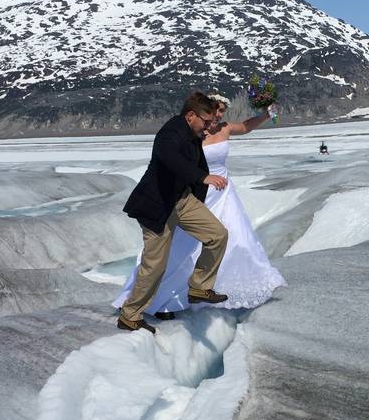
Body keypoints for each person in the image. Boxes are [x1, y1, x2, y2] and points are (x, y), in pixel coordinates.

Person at [113, 94, 285, 315]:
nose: (218, 115)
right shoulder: (183, 133)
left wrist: (266, 114)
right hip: (184, 195)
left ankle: (204, 288)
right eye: (214, 111)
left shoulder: (217, 129)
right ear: (196, 114)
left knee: (228, 238)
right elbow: (170, 157)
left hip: (215, 194)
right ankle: (152, 304)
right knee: (171, 255)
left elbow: (245, 126)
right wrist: (202, 177)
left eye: (222, 111)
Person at [117, 92, 230, 333]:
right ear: (191, 116)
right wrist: (203, 177)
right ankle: (130, 315)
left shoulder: (194, 134)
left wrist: (198, 199)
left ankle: (199, 286)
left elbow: (199, 165)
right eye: (206, 122)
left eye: (212, 122)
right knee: (155, 265)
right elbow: (170, 159)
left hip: (182, 200)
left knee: (217, 235)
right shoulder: (170, 133)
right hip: (157, 205)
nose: (210, 127)